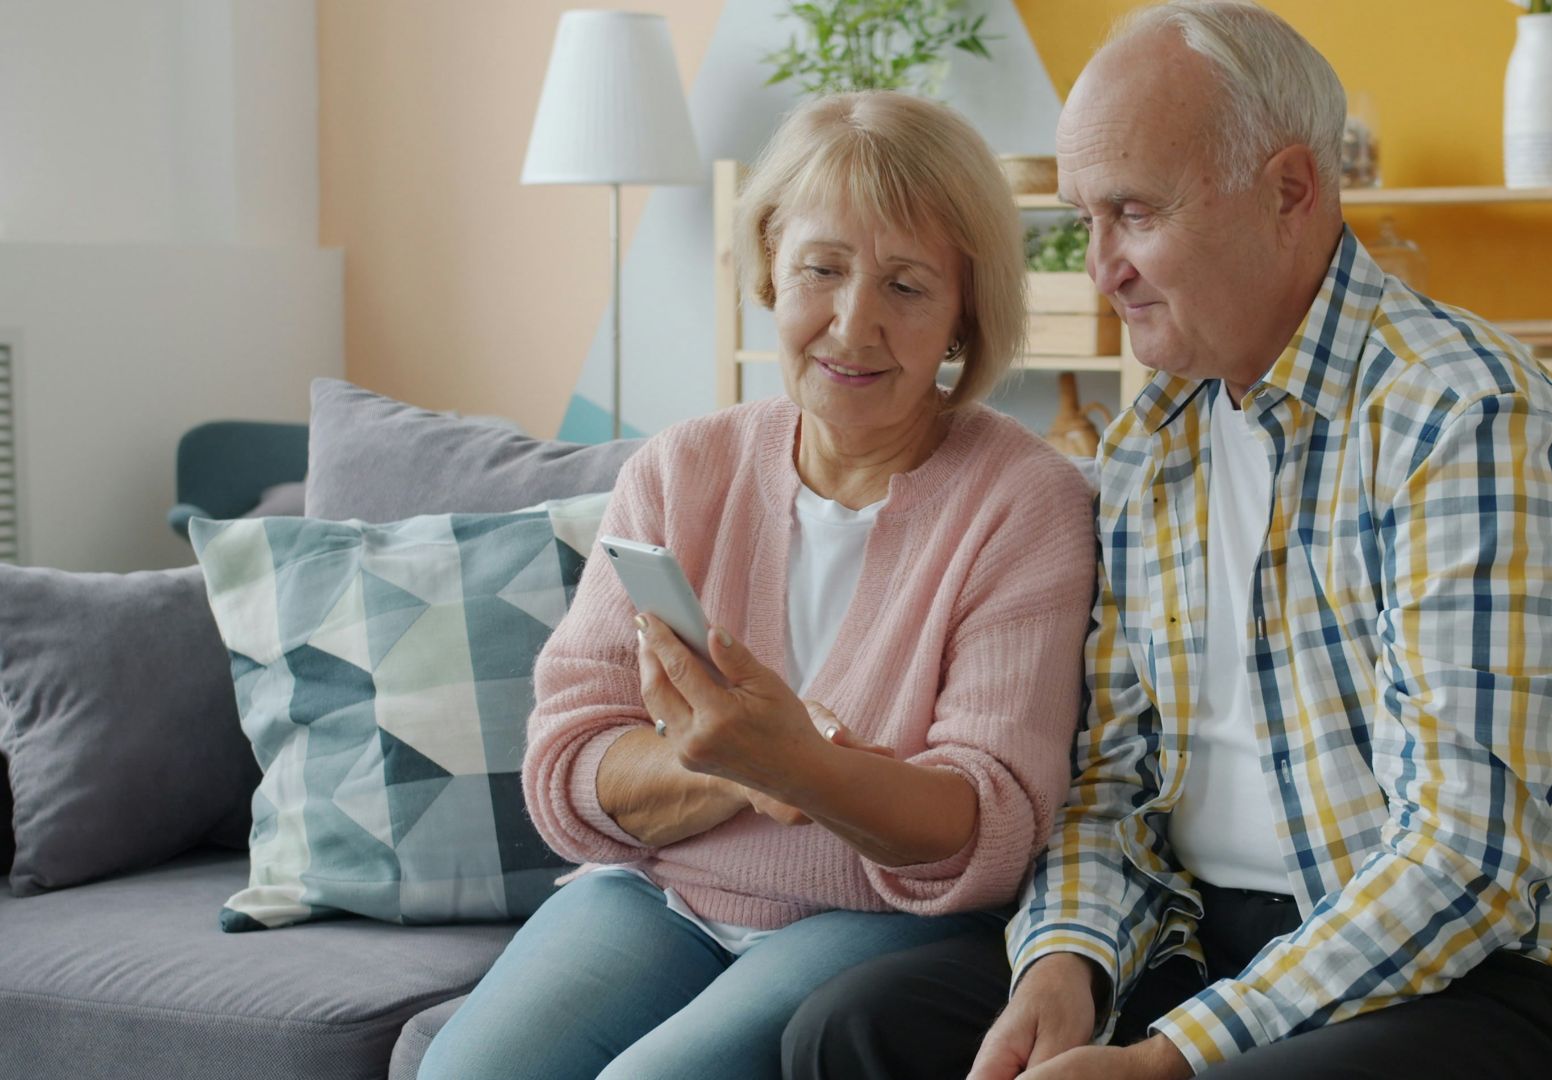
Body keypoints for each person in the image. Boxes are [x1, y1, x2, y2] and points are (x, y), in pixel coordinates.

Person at [782, 4, 1552, 1079]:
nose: (1102, 267)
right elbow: (1109, 788)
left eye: (1134, 212)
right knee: (858, 1029)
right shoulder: (1150, 444)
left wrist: (1170, 1056)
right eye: (1085, 220)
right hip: (1214, 937)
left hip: (1509, 968)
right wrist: (1065, 966)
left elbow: (1468, 858)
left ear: (1291, 190)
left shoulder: (1464, 421)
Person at [417, 89, 1097, 1080]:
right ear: (773, 266)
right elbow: (569, 763)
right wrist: (744, 763)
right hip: (654, 894)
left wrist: (801, 769)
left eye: (907, 286)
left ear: (964, 312)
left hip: (870, 918)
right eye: (823, 269)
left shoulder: (1026, 501)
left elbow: (989, 824)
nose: (853, 324)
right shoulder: (680, 469)